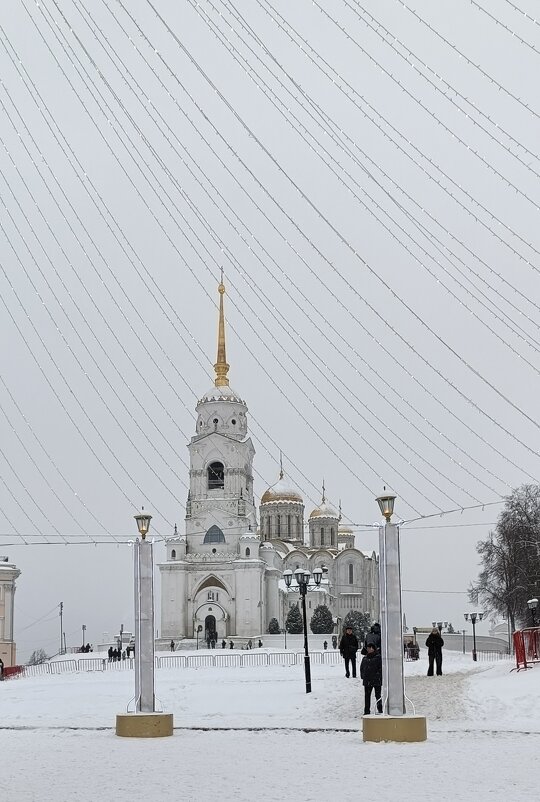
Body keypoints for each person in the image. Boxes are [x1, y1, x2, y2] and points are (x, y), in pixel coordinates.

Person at [360, 643, 383, 715]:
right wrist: (363, 676)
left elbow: (380, 668)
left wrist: (378, 676)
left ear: (373, 648)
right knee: (367, 696)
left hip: (376, 680)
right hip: (367, 680)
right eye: (368, 648)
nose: (368, 649)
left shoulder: (378, 657)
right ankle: (366, 710)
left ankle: (380, 709)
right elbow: (362, 668)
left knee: (378, 695)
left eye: (370, 648)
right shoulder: (365, 658)